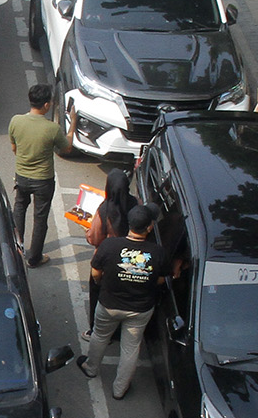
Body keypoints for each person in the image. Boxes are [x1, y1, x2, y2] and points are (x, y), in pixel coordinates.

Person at [77, 206, 170, 399]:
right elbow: (161, 279)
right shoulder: (158, 252)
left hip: (109, 304)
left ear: (129, 223)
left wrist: (101, 282)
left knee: (100, 335)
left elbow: (95, 273)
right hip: (140, 309)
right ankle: (120, 389)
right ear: (150, 227)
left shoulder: (110, 246)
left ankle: (91, 367)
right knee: (130, 348)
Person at [9, 83, 78, 268]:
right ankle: (34, 258)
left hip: (21, 176)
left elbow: (14, 148)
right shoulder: (52, 129)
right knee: (40, 218)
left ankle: (16, 250)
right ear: (46, 105)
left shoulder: (15, 121)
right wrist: (72, 125)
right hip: (43, 181)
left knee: (19, 209)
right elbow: (67, 148)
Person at [82, 169, 136, 340]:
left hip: (106, 262)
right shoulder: (135, 204)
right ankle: (118, 333)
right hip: (130, 260)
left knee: (98, 295)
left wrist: (87, 230)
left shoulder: (104, 210)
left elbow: (94, 238)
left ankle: (95, 330)